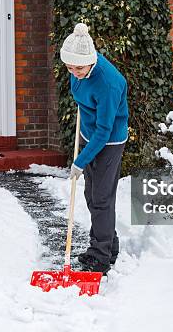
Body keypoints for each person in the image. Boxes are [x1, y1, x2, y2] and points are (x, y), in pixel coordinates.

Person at [61, 22, 129, 275]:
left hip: (108, 141)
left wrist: (80, 161)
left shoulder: (109, 83)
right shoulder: (79, 66)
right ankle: (109, 245)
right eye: (69, 67)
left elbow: (105, 130)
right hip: (90, 134)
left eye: (78, 68)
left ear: (91, 61)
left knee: (101, 199)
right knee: (92, 196)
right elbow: (82, 98)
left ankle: (100, 257)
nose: (74, 72)